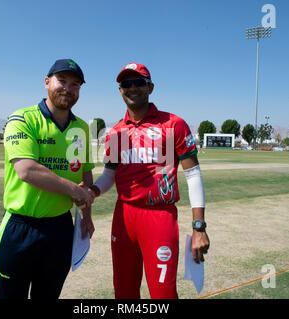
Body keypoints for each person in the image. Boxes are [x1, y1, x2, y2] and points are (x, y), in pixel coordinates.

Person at [88, 63, 210, 299]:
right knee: (124, 292)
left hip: (159, 217)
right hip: (123, 217)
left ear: (150, 87)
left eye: (138, 82)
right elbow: (109, 176)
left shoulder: (173, 124)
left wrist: (199, 227)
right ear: (120, 90)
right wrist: (93, 190)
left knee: (163, 294)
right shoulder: (116, 132)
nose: (132, 88)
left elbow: (193, 175)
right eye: (126, 83)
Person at [0, 59, 95, 299]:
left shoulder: (81, 128)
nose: (68, 89)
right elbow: (27, 170)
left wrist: (86, 216)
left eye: (75, 84)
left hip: (60, 229)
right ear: (47, 82)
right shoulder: (22, 119)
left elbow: (84, 175)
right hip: (20, 227)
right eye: (62, 81)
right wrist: (74, 190)